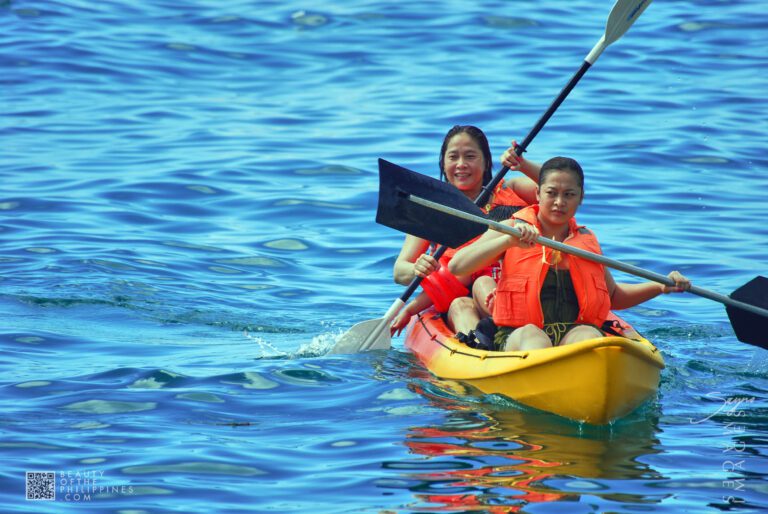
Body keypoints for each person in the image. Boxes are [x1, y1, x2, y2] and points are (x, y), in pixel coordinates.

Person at [449, 155, 691, 351]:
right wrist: (507, 242)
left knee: (588, 335)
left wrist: (660, 287)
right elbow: (457, 266)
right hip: (519, 335)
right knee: (534, 337)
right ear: (538, 194)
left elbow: (615, 296)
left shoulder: (586, 241)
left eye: (569, 195)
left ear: (580, 198)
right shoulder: (512, 228)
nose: (559, 202)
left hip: (572, 333)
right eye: (551, 193)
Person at [390, 125, 542, 339]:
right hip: (457, 296)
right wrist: (417, 268)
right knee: (461, 305)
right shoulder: (430, 209)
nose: (461, 164)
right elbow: (399, 272)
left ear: (486, 161)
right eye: (453, 157)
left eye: (470, 156)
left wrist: (523, 165)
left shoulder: (512, 190)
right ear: (443, 163)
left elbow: (560, 187)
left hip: (518, 291)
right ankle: (480, 347)